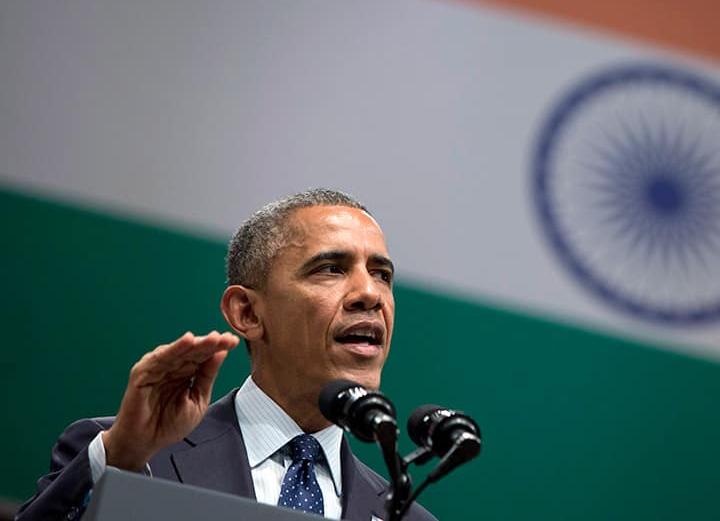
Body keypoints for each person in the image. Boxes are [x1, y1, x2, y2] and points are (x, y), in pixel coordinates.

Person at [17, 189, 435, 521]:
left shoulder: (405, 514)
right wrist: (121, 458)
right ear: (247, 312)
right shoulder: (128, 457)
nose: (369, 294)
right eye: (331, 269)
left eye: (382, 274)